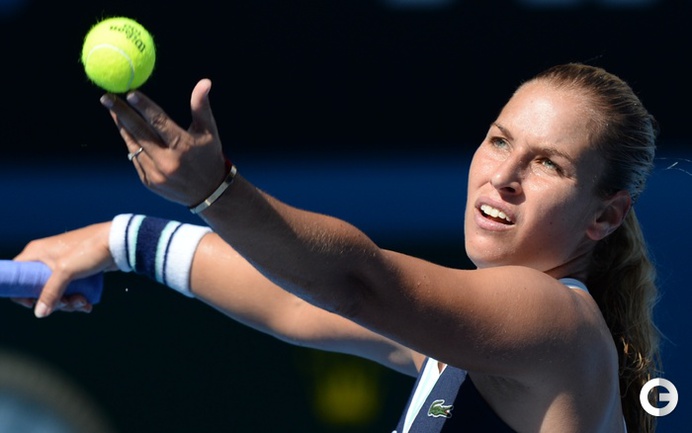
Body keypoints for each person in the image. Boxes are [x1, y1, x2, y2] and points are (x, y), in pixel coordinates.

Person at [12, 63, 661, 432]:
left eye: (547, 163)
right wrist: (119, 238)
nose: (504, 176)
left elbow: (355, 283)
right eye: (499, 140)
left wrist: (214, 190)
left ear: (604, 216)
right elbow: (292, 301)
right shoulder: (481, 340)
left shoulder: (555, 319)